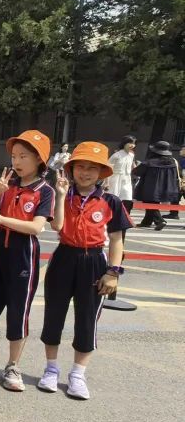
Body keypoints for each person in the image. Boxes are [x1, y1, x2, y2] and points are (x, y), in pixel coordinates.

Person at [37, 142, 129, 401]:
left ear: (102, 172)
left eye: (92, 168)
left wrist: (113, 272)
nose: (85, 172)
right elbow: (57, 225)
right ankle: (51, 369)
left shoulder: (111, 201)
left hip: (94, 262)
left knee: (87, 318)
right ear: (71, 168)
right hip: (64, 257)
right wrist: (61, 195)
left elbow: (117, 239)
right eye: (80, 166)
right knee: (54, 314)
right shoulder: (61, 194)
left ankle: (78, 374)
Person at [0, 130, 54, 391]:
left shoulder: (44, 191)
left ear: (39, 160)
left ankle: (13, 365)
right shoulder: (8, 184)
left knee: (18, 310)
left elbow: (36, 228)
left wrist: (2, 219)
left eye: (24, 156)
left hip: (23, 253)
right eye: (14, 155)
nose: (17, 161)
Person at [134, 141, 179, 231]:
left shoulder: (149, 162)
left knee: (149, 203)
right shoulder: (172, 162)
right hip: (166, 187)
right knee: (153, 204)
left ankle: (160, 221)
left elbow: (137, 172)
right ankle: (146, 222)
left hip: (150, 187)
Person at [107, 136, 137, 213]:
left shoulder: (131, 155)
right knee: (114, 197)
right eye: (130, 143)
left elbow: (132, 167)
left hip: (126, 179)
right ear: (124, 143)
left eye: (134, 143)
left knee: (127, 197)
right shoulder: (116, 155)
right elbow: (108, 168)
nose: (132, 145)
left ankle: (125, 217)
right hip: (115, 179)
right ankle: (110, 215)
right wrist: (106, 182)